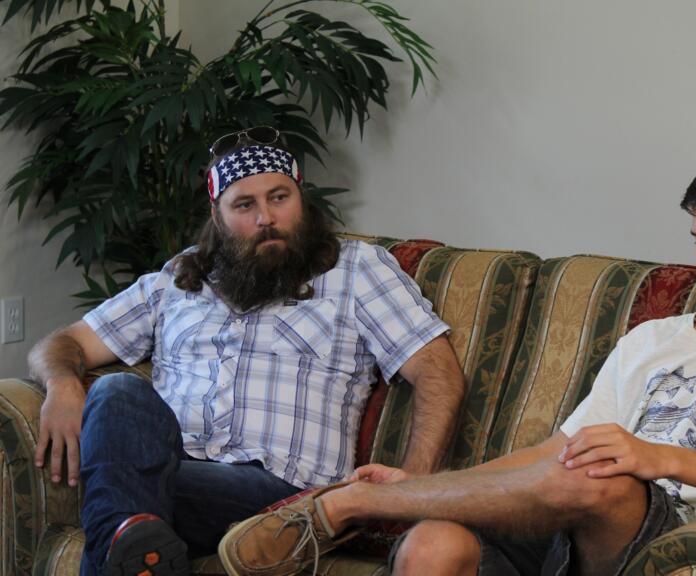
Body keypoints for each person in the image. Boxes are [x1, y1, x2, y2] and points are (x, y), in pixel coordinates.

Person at [217, 150, 696, 576]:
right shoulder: (657, 337)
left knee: (603, 477)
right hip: (564, 522)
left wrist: (657, 456)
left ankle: (346, 505)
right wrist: (424, 489)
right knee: (434, 543)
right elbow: (557, 449)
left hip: (661, 532)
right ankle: (383, 500)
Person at [27, 126, 466, 576]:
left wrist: (411, 489)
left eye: (280, 197)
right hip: (175, 470)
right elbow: (64, 343)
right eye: (244, 205)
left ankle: (126, 528)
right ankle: (136, 539)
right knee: (118, 394)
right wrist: (62, 384)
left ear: (302, 200)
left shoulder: (355, 270)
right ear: (217, 217)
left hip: (280, 499)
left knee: (120, 485)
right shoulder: (177, 279)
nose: (266, 218)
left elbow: (437, 370)